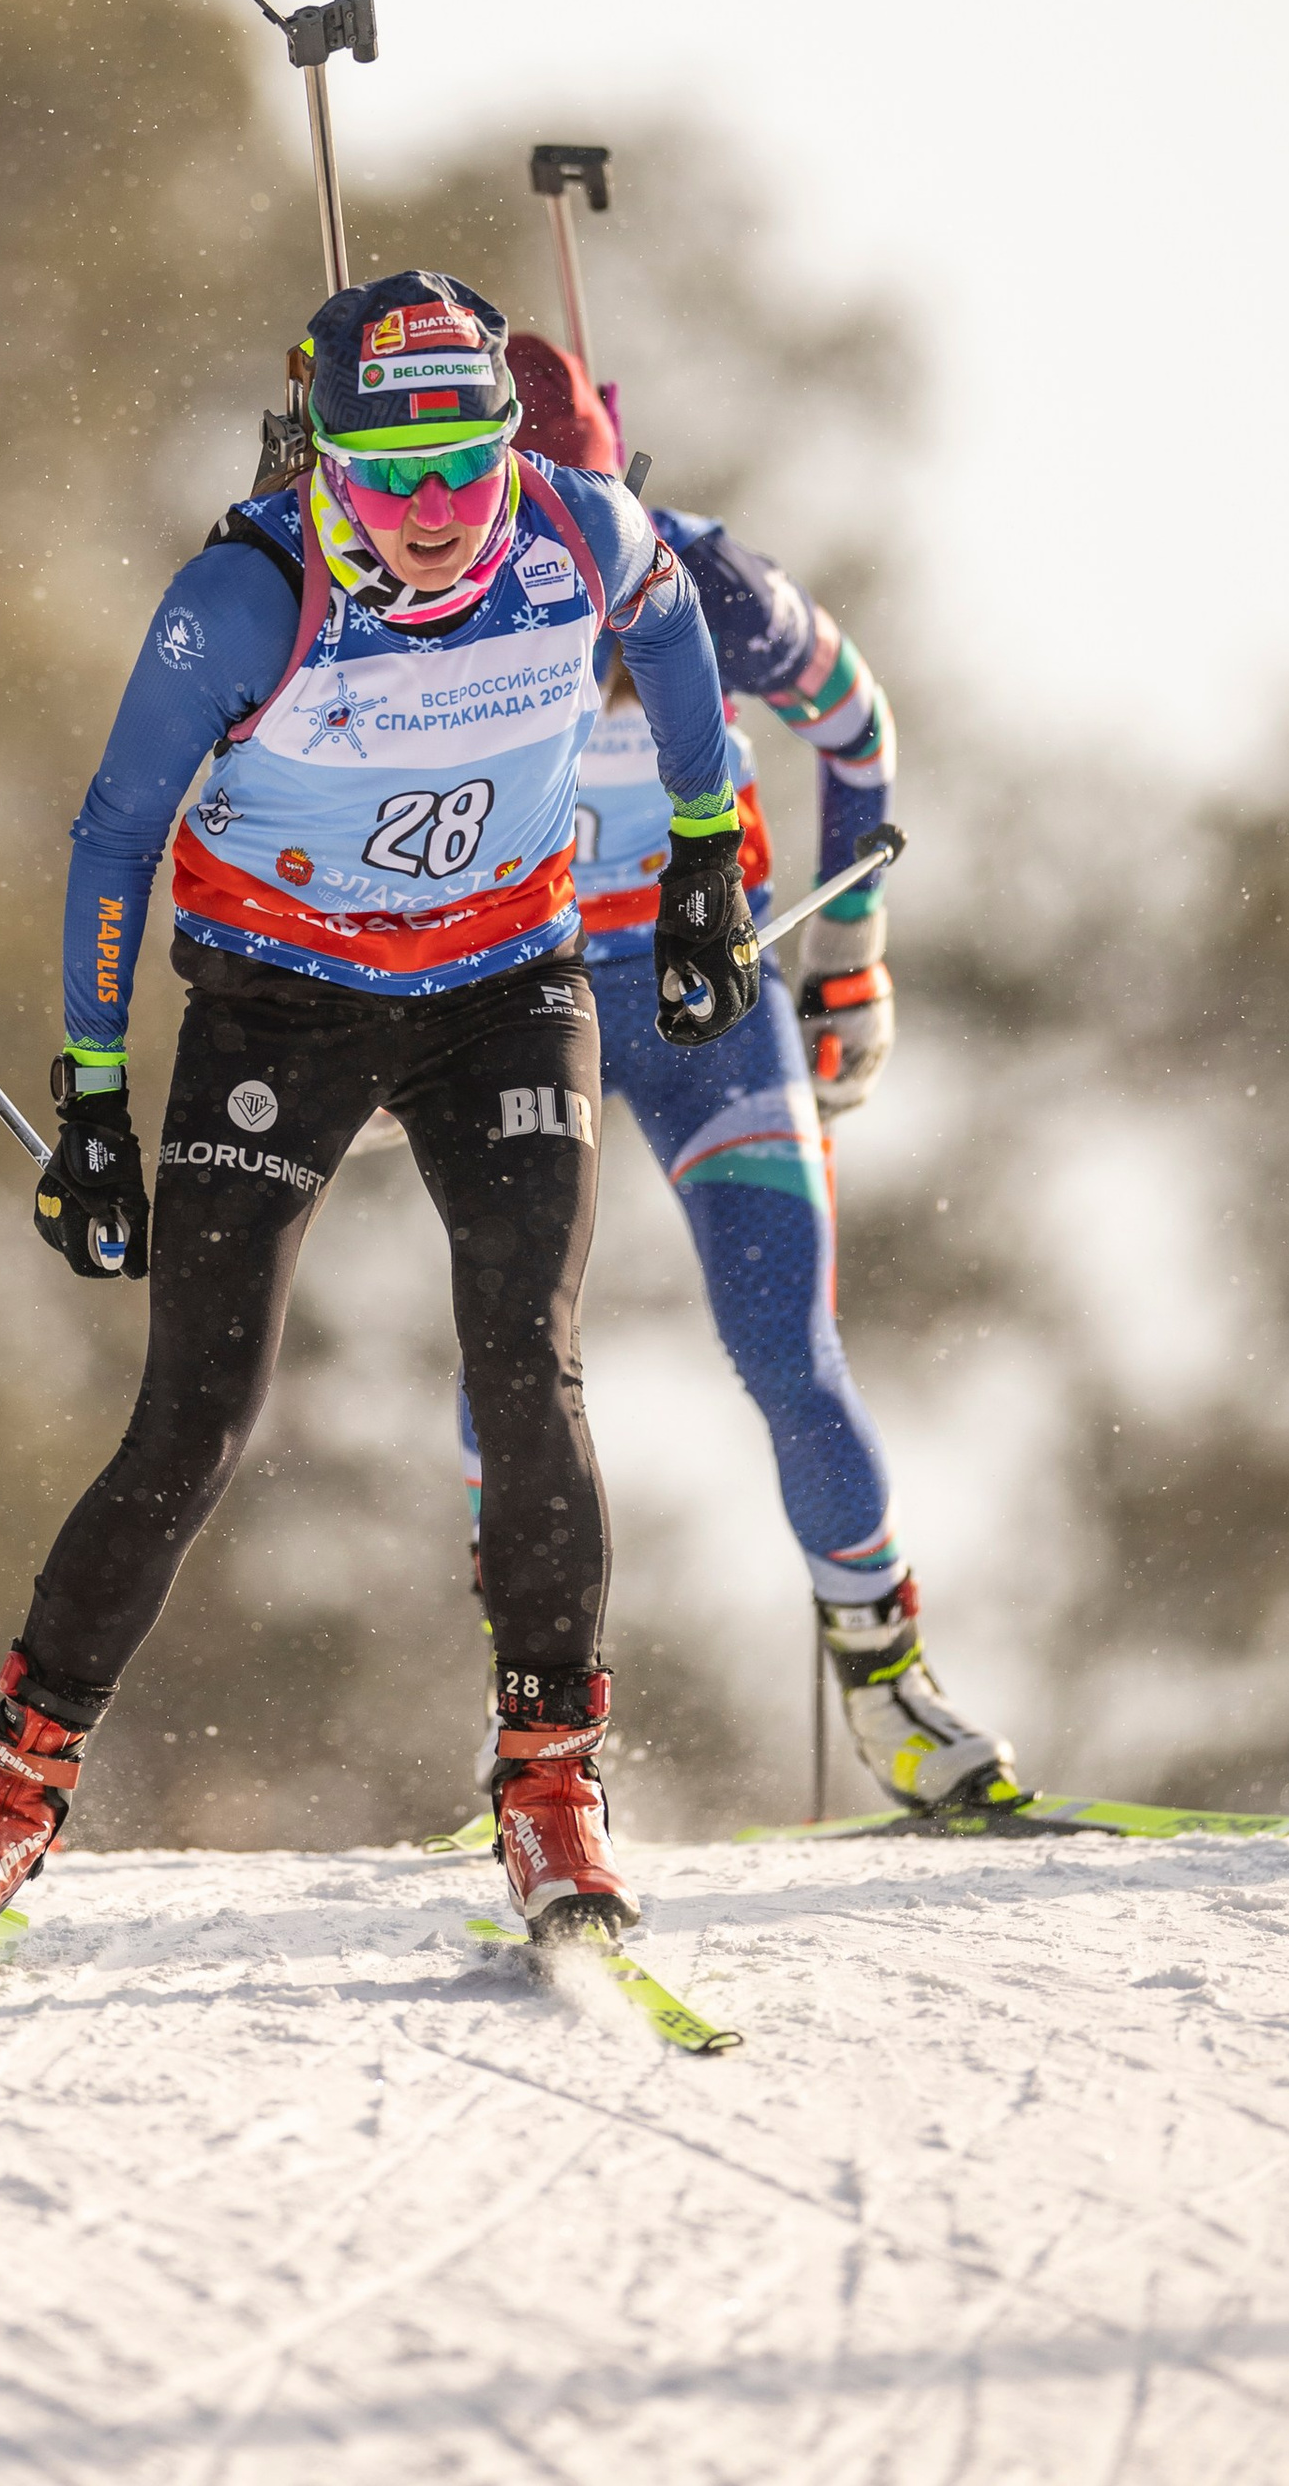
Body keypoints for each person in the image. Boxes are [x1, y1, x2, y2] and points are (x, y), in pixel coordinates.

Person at [0, 272, 750, 1948]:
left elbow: (679, 636)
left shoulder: (583, 527)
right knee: (197, 1414)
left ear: (509, 444)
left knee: (526, 1358)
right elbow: (115, 836)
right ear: (321, 463)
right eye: (382, 466)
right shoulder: (241, 595)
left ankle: (553, 1783)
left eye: (459, 462)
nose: (428, 509)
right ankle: (10, 1789)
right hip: (284, 996)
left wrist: (705, 852)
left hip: (505, 987)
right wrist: (88, 1101)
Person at [449, 329, 1017, 1819]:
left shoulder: (710, 585)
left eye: (587, 521)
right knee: (509, 1358)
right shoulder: (426, 599)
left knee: (784, 1344)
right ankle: (533, 1726)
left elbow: (860, 727)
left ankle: (890, 1687)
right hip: (535, 998)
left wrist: (855, 958)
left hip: (710, 996)